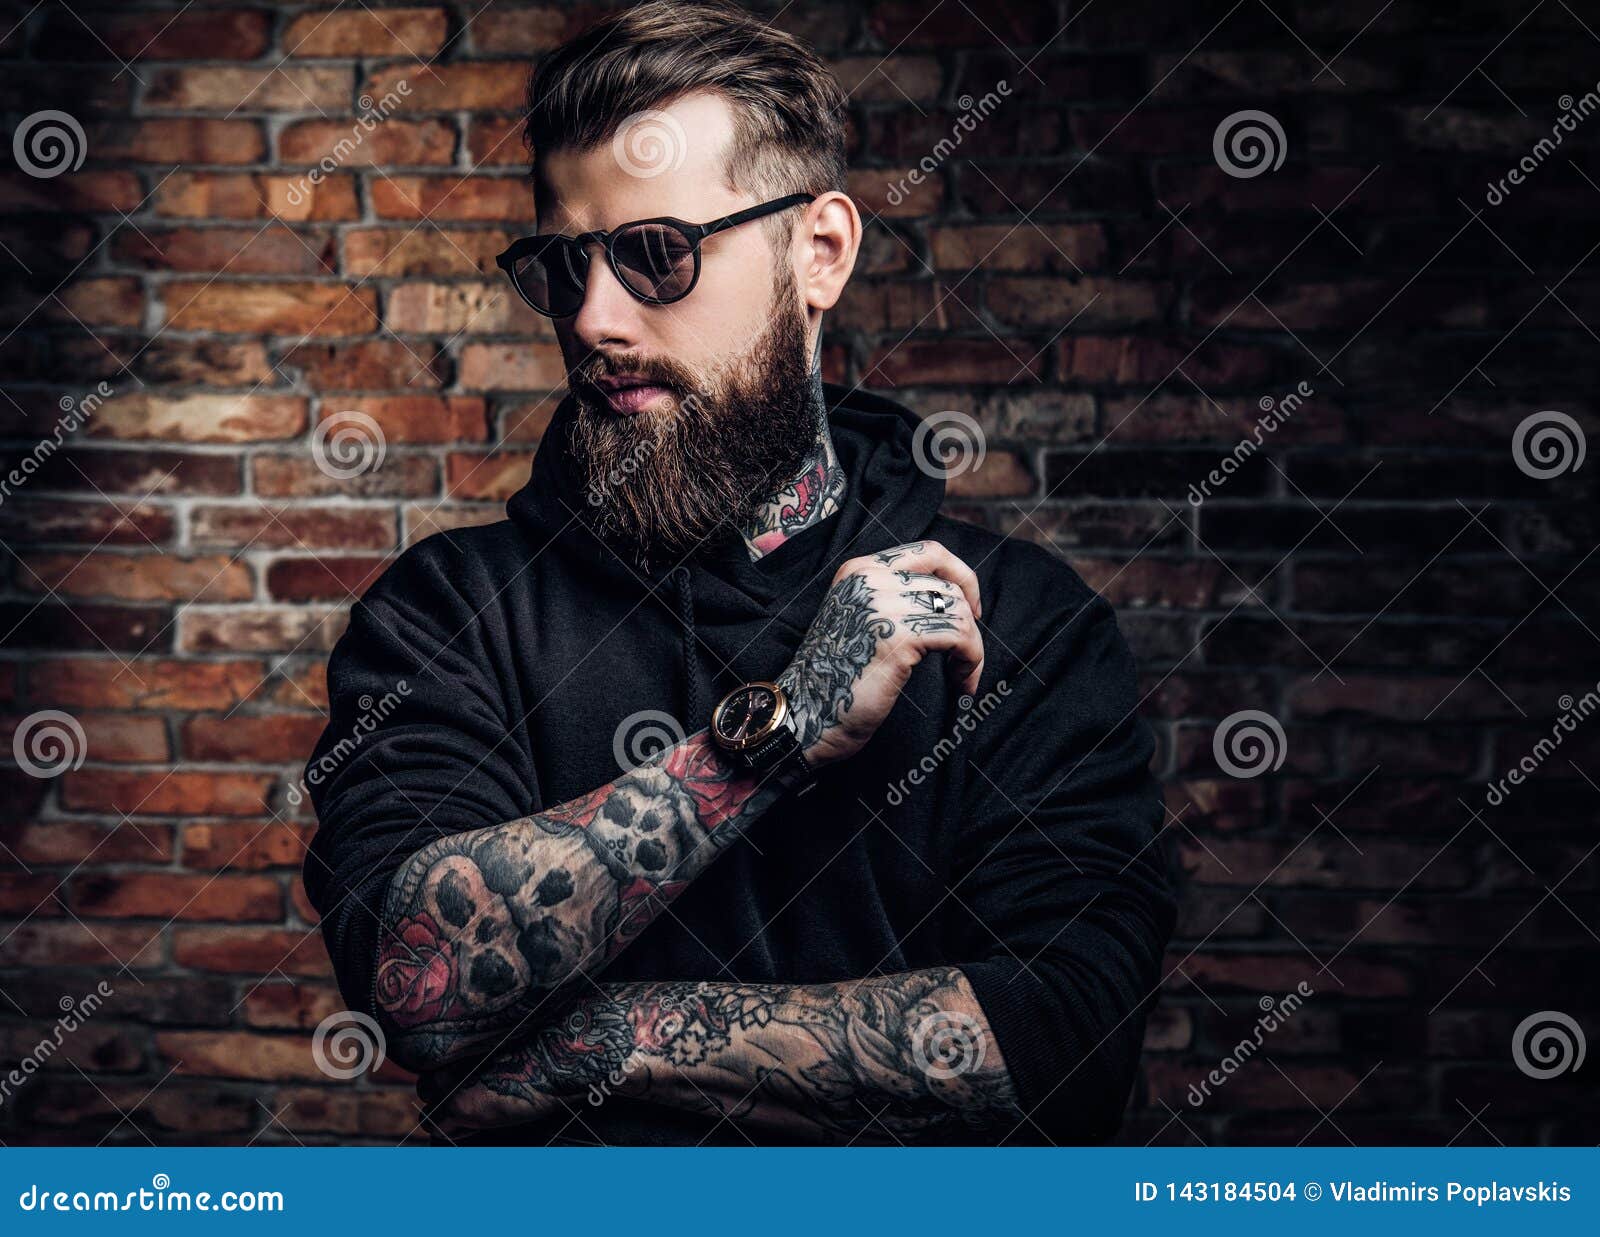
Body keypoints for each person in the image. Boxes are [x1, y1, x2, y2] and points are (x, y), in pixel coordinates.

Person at [302, 0, 1174, 1146]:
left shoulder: (1018, 625)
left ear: (817, 253)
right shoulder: (450, 614)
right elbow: (413, 976)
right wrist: (776, 735)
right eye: (563, 268)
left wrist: (602, 1043)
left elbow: (1066, 1041)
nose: (595, 319)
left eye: (656, 254)